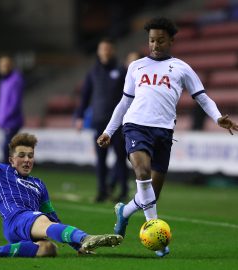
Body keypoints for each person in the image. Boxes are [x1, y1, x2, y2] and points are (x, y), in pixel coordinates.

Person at [96, 17, 238, 257]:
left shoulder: (182, 68)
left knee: (151, 195)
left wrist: (217, 118)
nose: (155, 45)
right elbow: (124, 103)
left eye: (160, 40)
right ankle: (158, 239)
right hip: (136, 126)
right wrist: (109, 131)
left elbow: (201, 97)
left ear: (171, 41)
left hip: (163, 133)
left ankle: (124, 212)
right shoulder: (136, 67)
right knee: (142, 173)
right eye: (151, 40)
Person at [0, 132, 123, 258]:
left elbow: (53, 218)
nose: (27, 160)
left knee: (49, 249)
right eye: (22, 155)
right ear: (12, 160)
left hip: (29, 226)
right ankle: (85, 237)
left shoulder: (39, 184)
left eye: (30, 156)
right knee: (42, 219)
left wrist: (77, 246)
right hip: (16, 219)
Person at [75, 38, 129, 203]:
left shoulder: (122, 71)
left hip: (118, 123)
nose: (105, 52)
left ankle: (123, 191)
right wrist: (79, 116)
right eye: (102, 49)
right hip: (99, 121)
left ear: (112, 51)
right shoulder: (93, 72)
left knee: (121, 157)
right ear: (98, 52)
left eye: (107, 49)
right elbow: (85, 96)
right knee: (101, 159)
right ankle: (101, 191)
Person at [0, 55, 24, 163]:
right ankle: (10, 175)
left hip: (12, 121)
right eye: (1, 66)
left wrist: (4, 117)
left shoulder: (15, 80)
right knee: (8, 149)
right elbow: (2, 102)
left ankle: (7, 175)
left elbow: (14, 103)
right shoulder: (4, 81)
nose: (2, 68)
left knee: (6, 149)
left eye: (4, 65)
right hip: (5, 121)